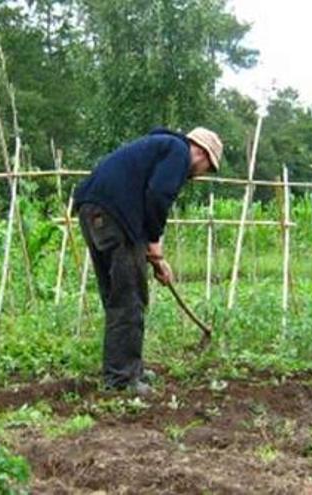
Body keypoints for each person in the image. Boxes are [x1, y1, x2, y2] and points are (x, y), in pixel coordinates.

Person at [74, 126, 223, 393]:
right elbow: (158, 195)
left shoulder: (158, 146)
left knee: (116, 294)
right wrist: (154, 242)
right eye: (207, 168)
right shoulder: (178, 151)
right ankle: (122, 380)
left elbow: (142, 200)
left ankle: (125, 369)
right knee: (130, 296)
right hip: (115, 215)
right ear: (201, 152)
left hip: (92, 210)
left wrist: (155, 259)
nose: (200, 175)